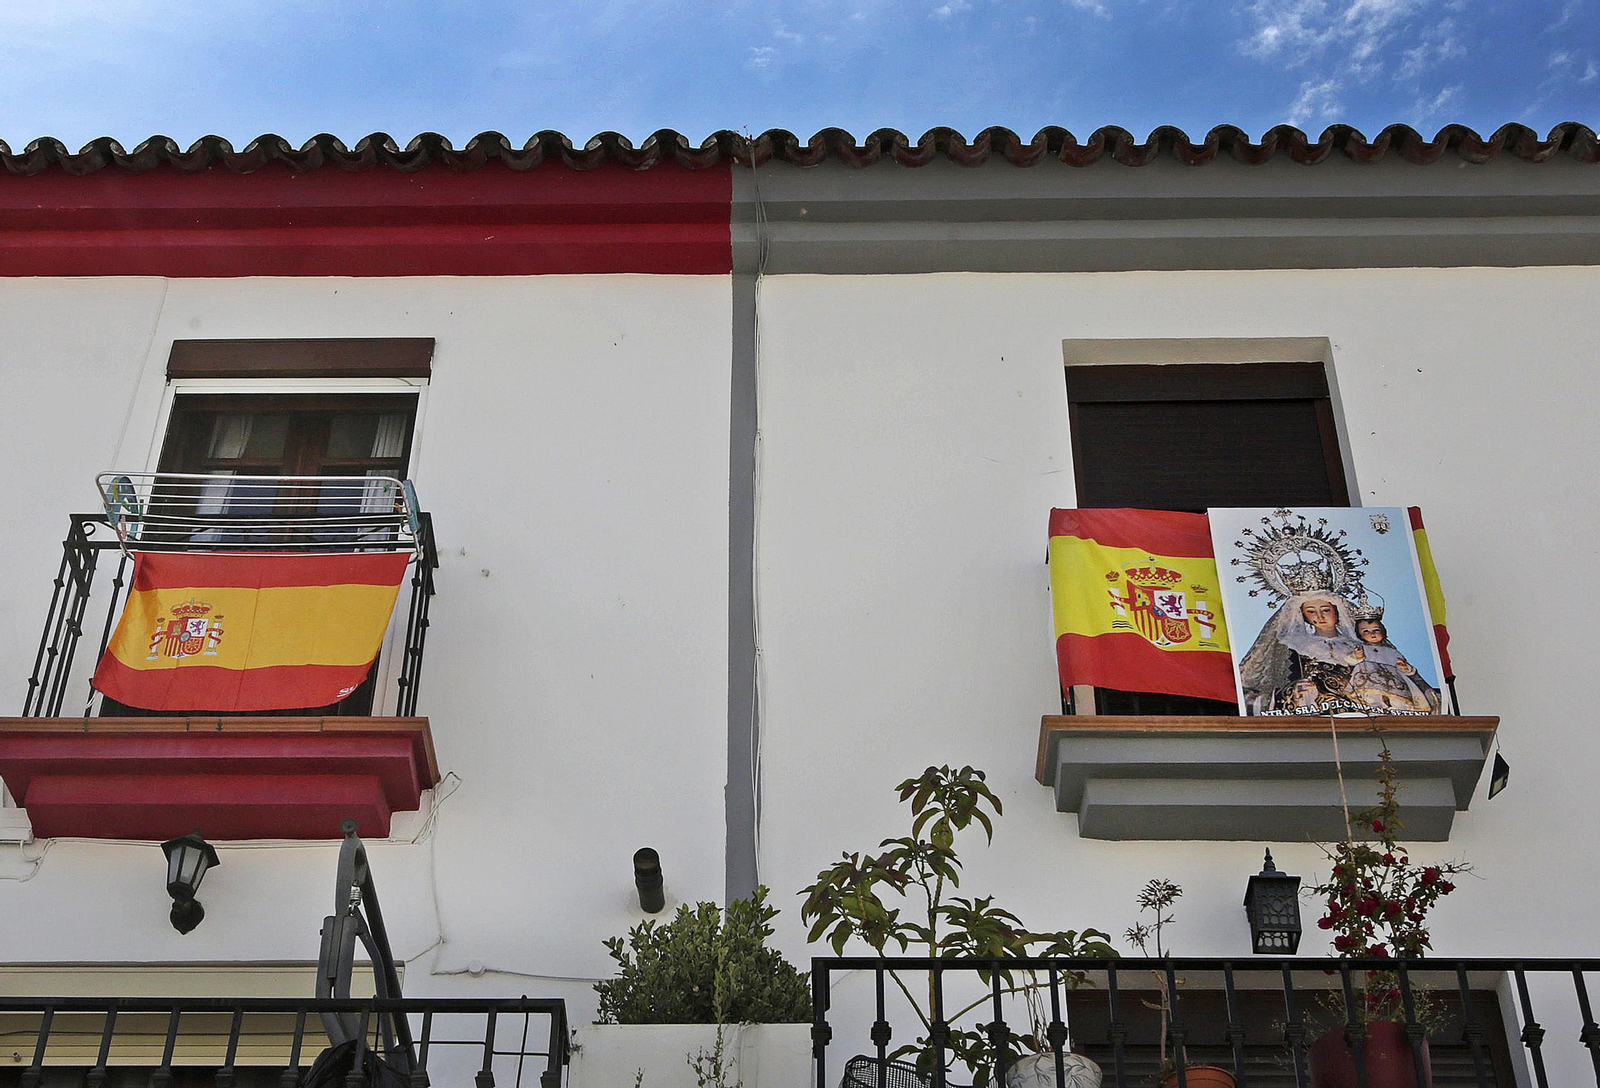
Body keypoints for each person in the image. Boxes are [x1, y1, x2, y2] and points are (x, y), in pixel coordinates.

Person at [1238, 591, 1368, 713]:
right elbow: (1264, 689)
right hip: (1311, 714)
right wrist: (1292, 692)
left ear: (1337, 612)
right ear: (1303, 615)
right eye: (1311, 611)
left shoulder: (1360, 646)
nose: (1319, 616)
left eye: (1326, 610)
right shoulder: (1294, 647)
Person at [1346, 617, 1441, 713]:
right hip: (1371, 677)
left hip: (1392, 678)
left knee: (1397, 692)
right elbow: (1349, 661)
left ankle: (1399, 708)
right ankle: (1374, 706)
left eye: (1376, 630)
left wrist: (1404, 667)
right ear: (1359, 635)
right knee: (1372, 692)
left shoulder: (1392, 652)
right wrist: (1357, 656)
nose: (1372, 634)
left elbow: (1404, 666)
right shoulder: (1362, 649)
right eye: (1366, 631)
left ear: (1383, 631)